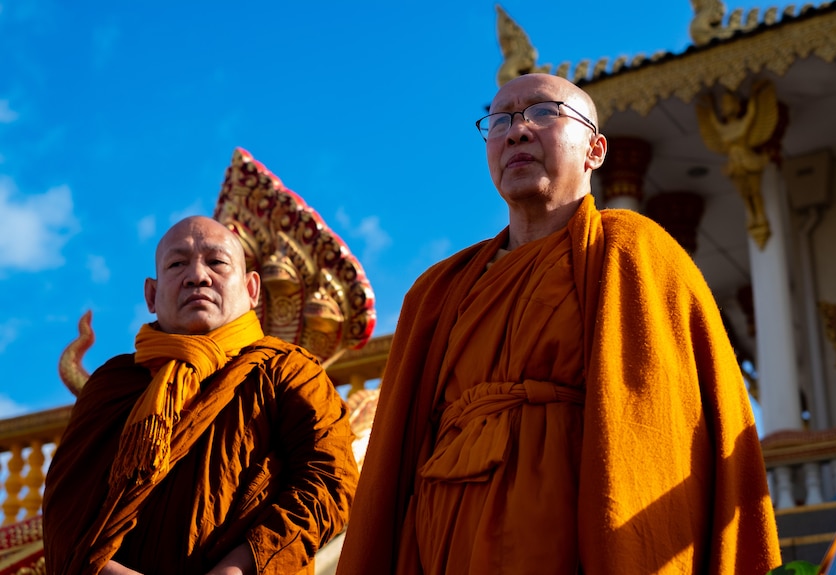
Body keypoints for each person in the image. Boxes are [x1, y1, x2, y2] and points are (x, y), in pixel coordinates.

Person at [336, 73, 782, 574]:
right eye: (500, 120)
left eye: (544, 113)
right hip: (443, 530)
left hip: (570, 527)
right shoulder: (438, 290)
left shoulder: (632, 251)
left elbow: (658, 430)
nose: (517, 131)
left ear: (595, 150)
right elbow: (394, 456)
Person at [43, 216, 359, 575]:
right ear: (151, 293)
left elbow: (330, 485)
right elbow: (64, 516)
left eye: (217, 262)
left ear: (252, 288)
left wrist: (236, 569)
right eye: (177, 264)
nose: (197, 276)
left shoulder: (287, 371)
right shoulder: (114, 382)